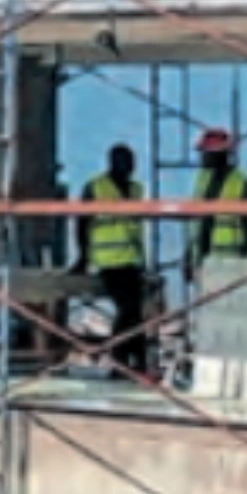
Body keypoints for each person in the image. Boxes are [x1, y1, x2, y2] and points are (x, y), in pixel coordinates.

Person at [79, 143, 150, 372]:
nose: (129, 168)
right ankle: (121, 360)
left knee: (135, 312)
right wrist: (83, 256)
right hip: (108, 260)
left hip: (132, 259)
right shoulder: (96, 187)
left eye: (131, 163)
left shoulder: (137, 190)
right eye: (124, 162)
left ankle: (134, 361)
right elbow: (82, 223)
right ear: (112, 162)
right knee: (128, 310)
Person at [189, 128, 247, 282]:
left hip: (232, 260)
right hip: (205, 260)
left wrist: (246, 261)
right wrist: (190, 257)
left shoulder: (241, 182)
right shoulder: (202, 180)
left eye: (206, 153)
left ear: (219, 155)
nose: (202, 157)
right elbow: (197, 222)